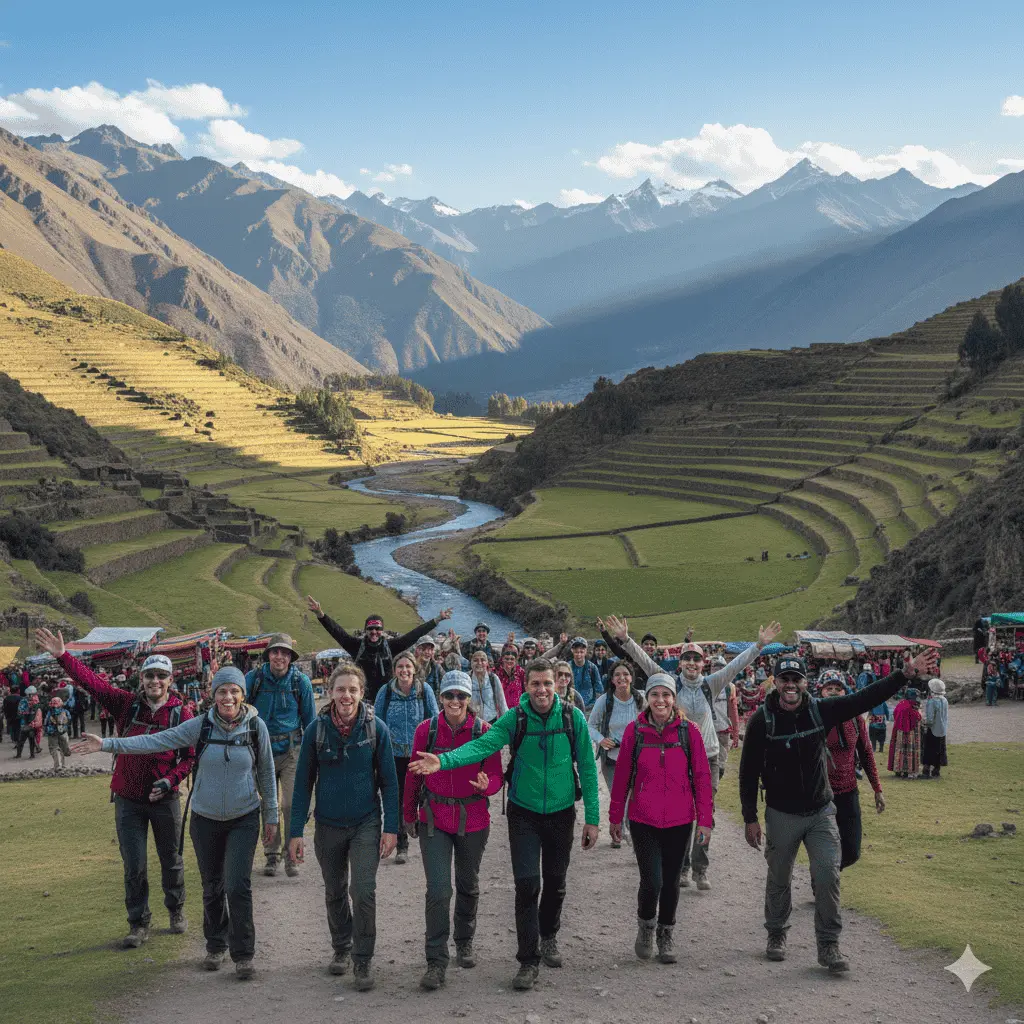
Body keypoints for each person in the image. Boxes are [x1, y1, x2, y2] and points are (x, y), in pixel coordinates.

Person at [739, 648, 937, 972]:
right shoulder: (764, 720)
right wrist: (750, 818)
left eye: (796, 679)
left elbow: (862, 700)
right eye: (785, 678)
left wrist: (904, 675)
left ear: (805, 683)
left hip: (820, 811)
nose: (790, 685)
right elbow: (747, 772)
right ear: (774, 681)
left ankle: (829, 946)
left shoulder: (820, 711)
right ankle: (776, 934)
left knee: (829, 874)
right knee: (778, 878)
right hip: (781, 814)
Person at [410, 659, 600, 991]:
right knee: (527, 885)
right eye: (535, 684)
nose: (541, 690)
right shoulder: (515, 718)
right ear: (525, 687)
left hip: (561, 812)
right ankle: (528, 961)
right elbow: (483, 746)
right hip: (523, 812)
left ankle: (549, 935)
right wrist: (443, 760)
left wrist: (594, 819)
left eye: (547, 684)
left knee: (555, 882)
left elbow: (586, 765)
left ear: (558, 685)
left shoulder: (573, 718)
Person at [76, 666, 276, 978]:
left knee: (238, 886)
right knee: (212, 887)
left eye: (234, 691)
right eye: (222, 691)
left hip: (244, 817)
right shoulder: (199, 726)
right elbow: (153, 741)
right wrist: (107, 744)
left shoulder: (255, 727)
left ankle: (244, 954)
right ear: (213, 694)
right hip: (205, 818)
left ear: (242, 695)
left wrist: (272, 816)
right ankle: (215, 946)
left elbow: (266, 772)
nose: (228, 697)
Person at [36, 627, 196, 947]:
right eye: (149, 675)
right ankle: (138, 923)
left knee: (172, 860)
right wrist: (62, 656)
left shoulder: (182, 713)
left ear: (170, 680)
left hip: (165, 799)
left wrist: (170, 780)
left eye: (160, 676)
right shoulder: (126, 705)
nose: (154, 681)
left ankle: (176, 910)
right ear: (141, 678)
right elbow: (93, 683)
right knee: (134, 865)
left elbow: (190, 757)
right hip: (128, 799)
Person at [605, 614, 782, 890]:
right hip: (678, 758)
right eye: (686, 658)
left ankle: (700, 867)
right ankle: (684, 867)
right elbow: (645, 662)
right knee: (684, 814)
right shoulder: (669, 683)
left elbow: (736, 666)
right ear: (680, 663)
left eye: (696, 659)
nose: (691, 663)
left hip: (708, 756)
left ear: (703, 664)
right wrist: (626, 640)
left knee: (706, 812)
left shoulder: (711, 684)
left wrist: (758, 646)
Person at [288, 663, 399, 993]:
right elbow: (302, 784)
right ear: (331, 692)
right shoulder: (316, 730)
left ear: (362, 693)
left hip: (366, 821)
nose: (346, 695)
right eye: (340, 689)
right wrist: (295, 832)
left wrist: (391, 828)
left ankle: (362, 959)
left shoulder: (376, 729)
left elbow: (390, 784)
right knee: (335, 890)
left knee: (363, 891)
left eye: (353, 689)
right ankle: (341, 947)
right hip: (328, 824)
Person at [403, 670, 504, 990]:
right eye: (450, 696)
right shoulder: (426, 731)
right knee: (438, 889)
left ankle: (464, 940)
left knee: (468, 884)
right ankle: (435, 960)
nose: (456, 701)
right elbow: (413, 776)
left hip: (473, 818)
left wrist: (488, 787)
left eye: (461, 696)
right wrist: (407, 814)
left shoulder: (484, 731)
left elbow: (497, 776)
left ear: (469, 698)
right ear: (441, 698)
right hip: (433, 816)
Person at [609, 673, 713, 963]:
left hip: (681, 820)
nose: (661, 701)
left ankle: (666, 934)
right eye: (655, 694)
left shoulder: (688, 732)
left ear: (673, 699)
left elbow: (703, 777)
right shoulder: (635, 731)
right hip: (643, 819)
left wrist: (705, 819)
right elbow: (621, 779)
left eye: (666, 695)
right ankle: (645, 927)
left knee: (670, 882)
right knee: (651, 880)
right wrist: (615, 818)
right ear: (648, 698)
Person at [245, 633, 316, 879]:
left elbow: (310, 722)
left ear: (290, 657)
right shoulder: (253, 680)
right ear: (268, 655)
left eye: (284, 653)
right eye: (275, 652)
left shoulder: (300, 682)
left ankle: (291, 853)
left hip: (292, 750)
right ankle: (271, 854)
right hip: (260, 751)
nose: (279, 657)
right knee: (268, 803)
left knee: (290, 804)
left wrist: (313, 755)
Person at [307, 596, 452, 700]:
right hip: (363, 698)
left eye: (378, 629)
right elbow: (337, 632)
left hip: (387, 697)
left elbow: (414, 634)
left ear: (382, 630)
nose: (374, 632)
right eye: (371, 629)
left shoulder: (391, 646)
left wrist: (437, 620)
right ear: (365, 630)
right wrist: (320, 614)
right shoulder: (356, 646)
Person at [374, 651, 439, 865]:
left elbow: (435, 721)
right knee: (398, 798)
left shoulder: (424, 690)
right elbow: (377, 724)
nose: (404, 670)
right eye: (400, 667)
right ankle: (401, 844)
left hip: (419, 755)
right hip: (393, 755)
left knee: (421, 796)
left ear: (414, 669)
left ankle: (428, 836)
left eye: (408, 666)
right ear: (394, 670)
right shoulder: (386, 692)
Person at [818, 671, 884, 870]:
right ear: (820, 692)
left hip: (848, 791)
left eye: (838, 688)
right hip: (820, 794)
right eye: (828, 688)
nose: (833, 692)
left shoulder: (856, 719)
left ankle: (826, 876)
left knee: (852, 851)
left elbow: (865, 753)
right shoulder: (814, 717)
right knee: (825, 846)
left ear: (845, 692)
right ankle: (823, 883)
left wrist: (877, 789)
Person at [587, 661, 644, 847]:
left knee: (634, 798)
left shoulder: (641, 699)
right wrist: (601, 740)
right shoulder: (604, 700)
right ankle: (620, 832)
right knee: (619, 797)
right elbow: (591, 726)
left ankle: (631, 834)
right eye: (617, 675)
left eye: (626, 674)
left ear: (631, 677)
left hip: (637, 758)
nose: (622, 678)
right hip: (612, 759)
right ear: (612, 680)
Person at [888, 688, 923, 778]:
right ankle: (907, 770)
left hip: (898, 731)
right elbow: (917, 717)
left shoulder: (901, 704)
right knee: (908, 751)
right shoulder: (911, 706)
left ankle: (898, 770)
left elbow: (895, 714)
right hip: (909, 733)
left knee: (899, 750)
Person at [468, 648, 508, 724]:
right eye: (475, 660)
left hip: (491, 721)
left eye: (483, 660)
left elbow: (502, 702)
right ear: (471, 663)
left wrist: (507, 723)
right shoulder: (466, 678)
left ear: (487, 663)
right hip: (471, 722)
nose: (479, 663)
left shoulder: (493, 678)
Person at [921, 679, 949, 779]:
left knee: (929, 750)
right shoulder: (945, 700)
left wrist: (923, 721)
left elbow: (930, 719)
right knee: (939, 750)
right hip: (942, 729)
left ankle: (926, 770)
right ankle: (936, 770)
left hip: (932, 729)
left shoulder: (932, 702)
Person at [568, 637, 604, 710]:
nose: (579, 654)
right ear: (572, 650)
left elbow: (599, 690)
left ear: (586, 651)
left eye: (581, 652)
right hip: (572, 708)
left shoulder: (592, 668)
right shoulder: (567, 668)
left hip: (589, 709)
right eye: (576, 652)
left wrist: (596, 706)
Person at [43, 695, 73, 771]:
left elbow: (46, 722)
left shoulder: (50, 712)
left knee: (54, 749)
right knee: (63, 748)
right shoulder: (65, 711)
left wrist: (46, 730)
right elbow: (69, 720)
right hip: (63, 732)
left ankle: (57, 765)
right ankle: (63, 765)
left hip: (52, 733)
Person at [15, 688, 41, 758]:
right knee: (31, 739)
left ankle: (19, 754)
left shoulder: (23, 701)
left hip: (25, 724)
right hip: (33, 724)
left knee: (21, 740)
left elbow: (19, 713)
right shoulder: (36, 702)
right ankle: (32, 754)